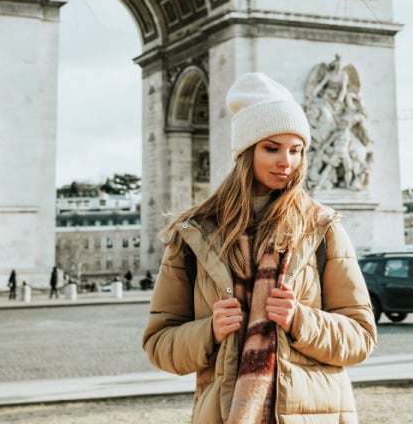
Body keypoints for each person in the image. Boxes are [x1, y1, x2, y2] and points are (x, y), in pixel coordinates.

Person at [143, 72, 376, 424]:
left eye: (296, 150)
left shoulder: (323, 228)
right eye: (272, 148)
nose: (287, 162)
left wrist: (300, 319)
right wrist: (210, 330)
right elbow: (159, 345)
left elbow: (361, 336)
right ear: (245, 151)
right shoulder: (192, 236)